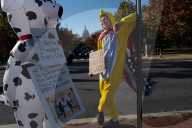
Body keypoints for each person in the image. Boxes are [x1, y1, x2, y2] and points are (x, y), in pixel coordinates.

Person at [88, 9, 136, 128]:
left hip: (116, 69)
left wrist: (122, 22)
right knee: (106, 95)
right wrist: (94, 70)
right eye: (101, 20)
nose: (103, 21)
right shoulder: (101, 36)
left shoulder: (121, 29)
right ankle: (114, 120)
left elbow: (136, 16)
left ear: (111, 19)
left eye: (105, 19)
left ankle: (100, 110)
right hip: (104, 70)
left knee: (108, 93)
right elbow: (99, 54)